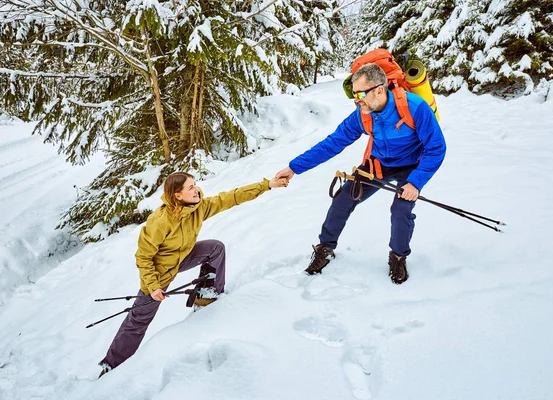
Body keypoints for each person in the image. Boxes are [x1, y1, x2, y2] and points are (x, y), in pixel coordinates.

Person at [98, 172, 288, 377]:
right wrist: (153, 287)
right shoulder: (160, 221)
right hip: (158, 273)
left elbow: (231, 197)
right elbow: (143, 257)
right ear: (177, 195)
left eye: (195, 185)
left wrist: (268, 184)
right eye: (190, 187)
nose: (196, 189)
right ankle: (112, 366)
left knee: (215, 248)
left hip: (183, 257)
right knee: (138, 320)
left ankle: (207, 295)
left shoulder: (198, 208)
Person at [275, 63, 446, 284]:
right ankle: (325, 248)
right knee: (343, 199)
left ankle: (398, 256)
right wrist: (294, 168)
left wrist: (415, 183)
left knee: (400, 209)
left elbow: (436, 148)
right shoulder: (363, 115)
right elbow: (332, 143)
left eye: (361, 93)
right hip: (378, 164)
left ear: (379, 90)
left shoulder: (415, 107)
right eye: (354, 94)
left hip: (411, 167)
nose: (357, 100)